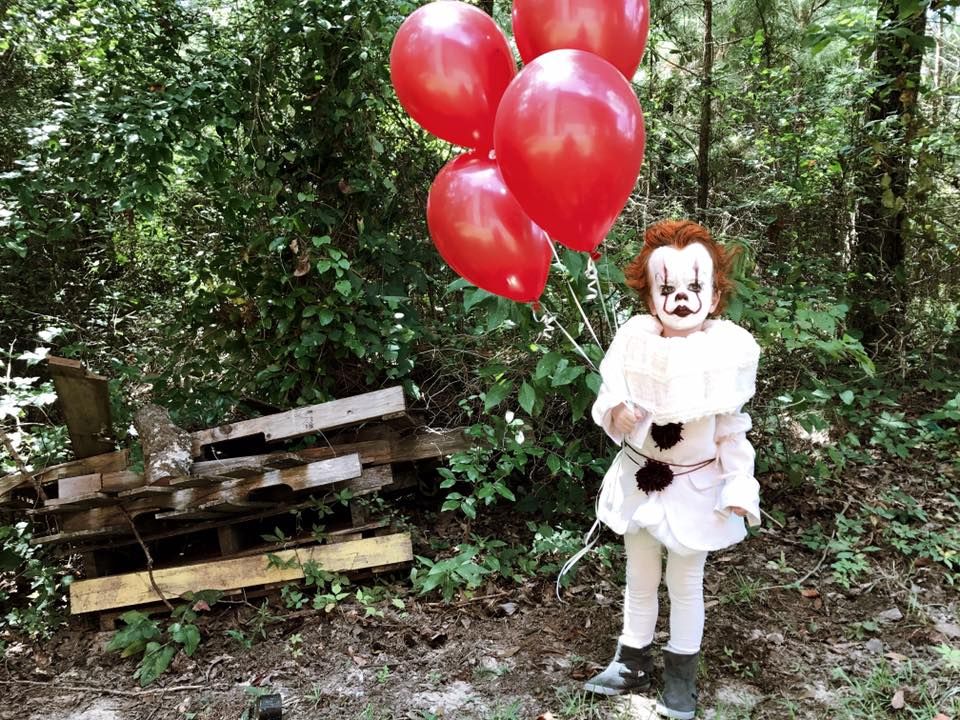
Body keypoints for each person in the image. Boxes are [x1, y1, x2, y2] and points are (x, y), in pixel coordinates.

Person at [582, 219, 762, 719]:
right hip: (639, 481)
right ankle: (630, 659)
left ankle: (681, 675)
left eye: (694, 287)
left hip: (696, 487)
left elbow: (732, 431)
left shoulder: (723, 353)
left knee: (685, 581)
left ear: (714, 291)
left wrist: (739, 483)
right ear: (649, 291)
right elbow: (610, 392)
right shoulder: (634, 342)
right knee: (639, 576)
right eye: (668, 288)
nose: (681, 298)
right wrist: (616, 413)